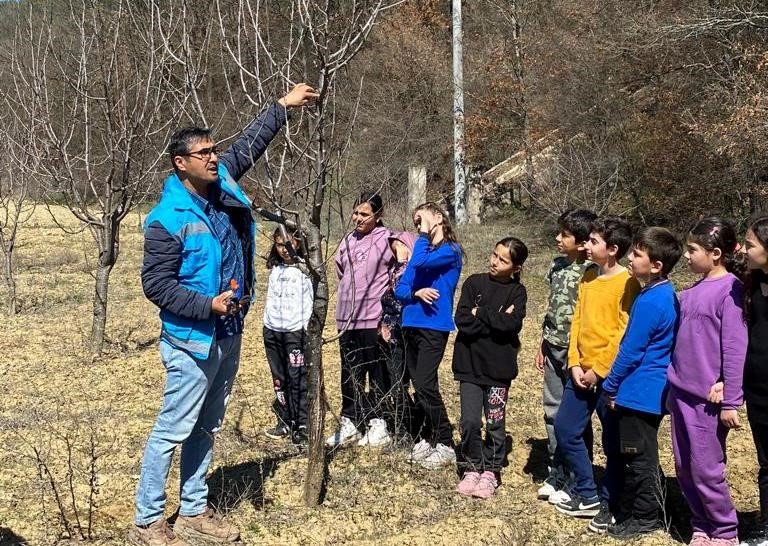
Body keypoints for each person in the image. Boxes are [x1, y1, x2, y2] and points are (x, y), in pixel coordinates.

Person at [129, 83, 318, 546]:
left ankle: (193, 511)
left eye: (215, 151)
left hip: (229, 330)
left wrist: (282, 107)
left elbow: (251, 143)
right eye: (205, 153)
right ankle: (147, 518)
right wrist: (205, 305)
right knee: (173, 427)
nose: (215, 157)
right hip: (191, 337)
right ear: (182, 163)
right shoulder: (166, 218)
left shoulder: (222, 182)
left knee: (208, 423)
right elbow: (156, 285)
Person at [553, 216, 640, 534]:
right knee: (566, 428)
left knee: (612, 441)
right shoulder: (589, 275)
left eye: (592, 242)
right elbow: (577, 321)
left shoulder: (627, 283)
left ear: (612, 249)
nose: (586, 246)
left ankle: (609, 502)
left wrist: (599, 370)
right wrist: (575, 362)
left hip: (607, 377)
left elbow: (622, 332)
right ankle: (587, 492)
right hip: (579, 371)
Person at [667, 217, 748, 546]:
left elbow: (734, 347)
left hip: (708, 400)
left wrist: (730, 396)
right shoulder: (688, 293)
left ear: (715, 253)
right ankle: (700, 524)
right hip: (680, 394)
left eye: (692, 250)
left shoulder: (731, 291)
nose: (687, 256)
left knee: (706, 467)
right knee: (684, 466)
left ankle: (725, 530)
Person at [599, 227, 682, 540]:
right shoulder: (661, 294)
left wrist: (610, 385)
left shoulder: (651, 302)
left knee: (638, 457)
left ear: (656, 265)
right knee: (642, 454)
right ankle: (656, 508)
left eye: (636, 254)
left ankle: (647, 516)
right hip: (647, 390)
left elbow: (630, 351)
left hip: (639, 392)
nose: (630, 259)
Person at [453, 237, 528, 499]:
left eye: (503, 259)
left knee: (495, 422)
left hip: (498, 371)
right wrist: (495, 318)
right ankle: (473, 467)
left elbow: (511, 326)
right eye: (494, 255)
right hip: (469, 367)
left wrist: (480, 313)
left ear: (516, 268)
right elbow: (462, 320)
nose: (494, 262)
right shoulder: (474, 282)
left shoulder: (517, 292)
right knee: (470, 421)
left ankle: (491, 471)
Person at [394, 201, 463, 469]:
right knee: (416, 384)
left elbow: (418, 262)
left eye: (421, 219)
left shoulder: (451, 251)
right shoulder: (422, 253)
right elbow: (400, 289)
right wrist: (415, 293)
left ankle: (445, 441)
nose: (418, 226)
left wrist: (422, 237)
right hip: (410, 322)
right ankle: (427, 435)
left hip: (434, 325)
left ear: (438, 216)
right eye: (415, 223)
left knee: (425, 383)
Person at [535, 209, 597, 505]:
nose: (558, 239)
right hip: (553, 345)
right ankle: (556, 469)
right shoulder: (557, 265)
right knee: (552, 409)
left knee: (576, 416)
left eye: (565, 235)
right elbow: (551, 309)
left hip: (578, 353)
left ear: (583, 241)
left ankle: (577, 474)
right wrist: (542, 344)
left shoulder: (593, 270)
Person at [326, 192, 393, 448]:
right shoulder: (347, 241)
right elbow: (340, 271)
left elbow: (399, 267)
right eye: (356, 213)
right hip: (347, 318)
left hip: (373, 318)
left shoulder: (387, 239)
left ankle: (379, 423)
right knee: (350, 372)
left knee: (376, 371)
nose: (358, 218)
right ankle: (350, 422)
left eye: (365, 214)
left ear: (378, 215)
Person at [262, 228, 313, 446]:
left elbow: (310, 302)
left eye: (288, 244)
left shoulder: (305, 269)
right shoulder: (275, 268)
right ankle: (286, 420)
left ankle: (302, 423)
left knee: (297, 377)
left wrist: (304, 330)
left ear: (298, 243)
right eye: (279, 244)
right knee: (279, 378)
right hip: (272, 329)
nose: (284, 249)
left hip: (295, 331)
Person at [379, 230, 419, 449]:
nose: (397, 251)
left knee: (413, 382)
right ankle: (403, 431)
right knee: (396, 382)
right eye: (393, 248)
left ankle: (418, 427)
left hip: (410, 333)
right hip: (392, 335)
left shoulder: (415, 271)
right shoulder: (392, 270)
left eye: (400, 246)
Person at [743, 215, 768, 546]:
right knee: (766, 462)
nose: (745, 250)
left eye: (750, 244)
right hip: (759, 389)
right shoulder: (752, 282)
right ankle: (766, 526)